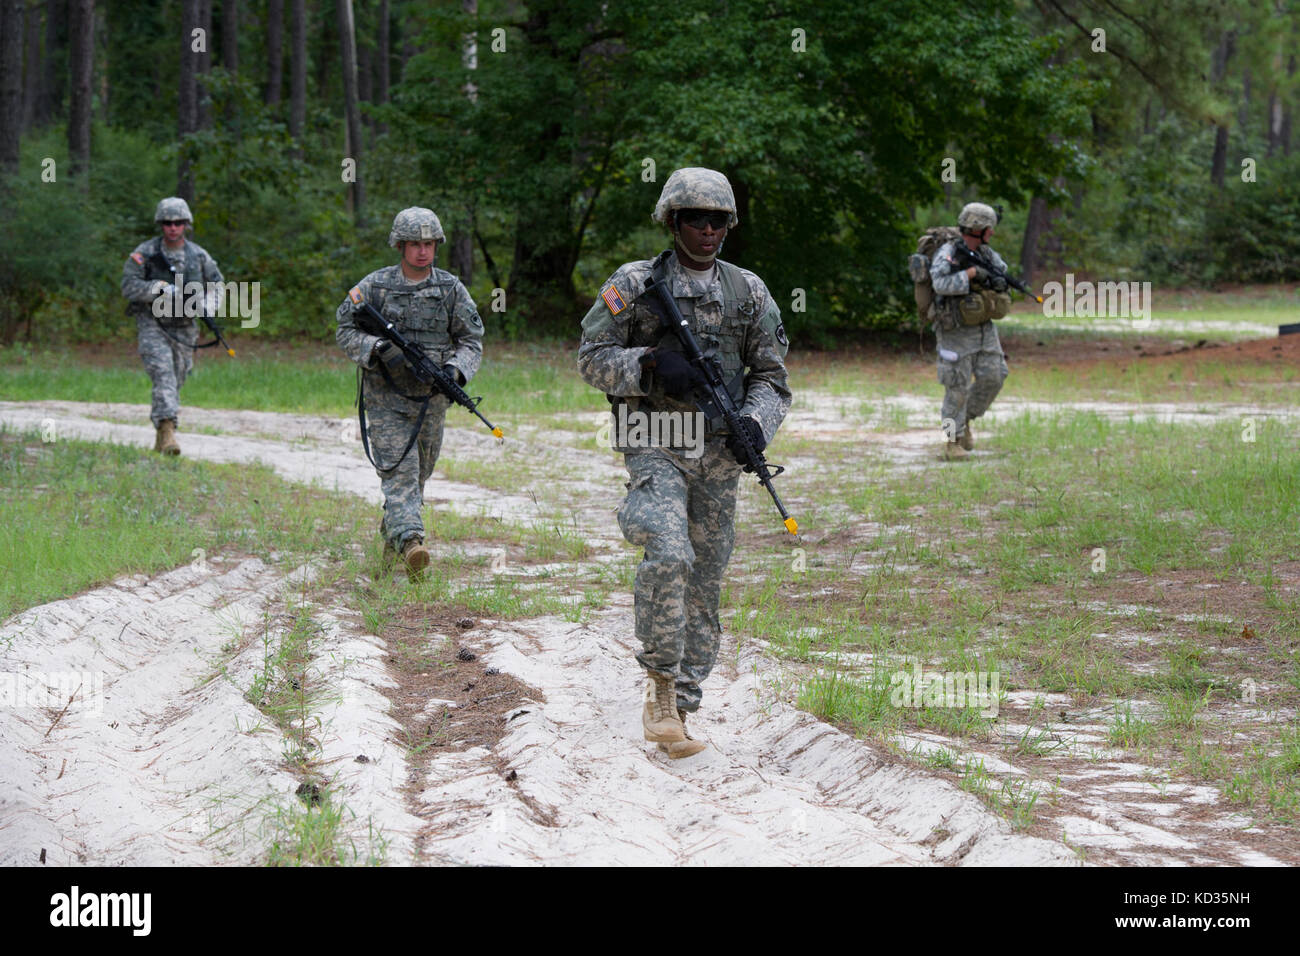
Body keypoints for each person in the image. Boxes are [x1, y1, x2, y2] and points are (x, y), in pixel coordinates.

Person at [578, 167, 791, 758]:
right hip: (653, 432)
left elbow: (772, 379)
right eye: (695, 219)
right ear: (672, 221)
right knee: (669, 551)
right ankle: (662, 691)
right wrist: (647, 363)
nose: (707, 230)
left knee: (705, 580)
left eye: (718, 220)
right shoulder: (635, 284)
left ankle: (685, 703)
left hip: (719, 450)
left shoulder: (748, 291)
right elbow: (590, 357)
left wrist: (755, 424)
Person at [335, 207, 485, 576]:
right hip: (385, 400)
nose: (422, 251)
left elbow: (471, 340)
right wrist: (376, 348)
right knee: (400, 472)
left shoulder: (450, 289)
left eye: (429, 244)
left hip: (430, 402)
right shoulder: (374, 287)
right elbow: (344, 329)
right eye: (415, 244)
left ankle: (393, 539)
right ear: (400, 246)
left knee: (418, 476)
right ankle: (413, 543)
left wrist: (454, 371)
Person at [120, 197, 224, 456]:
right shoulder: (145, 254)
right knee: (163, 374)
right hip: (153, 324)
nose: (173, 228)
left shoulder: (198, 256)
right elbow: (128, 286)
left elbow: (217, 284)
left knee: (177, 377)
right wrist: (159, 288)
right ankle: (168, 431)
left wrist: (207, 305)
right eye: (167, 223)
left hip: (185, 327)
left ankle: (160, 434)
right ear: (160, 225)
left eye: (178, 223)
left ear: (186, 225)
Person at [928, 202, 1011, 460]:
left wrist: (996, 279)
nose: (992, 233)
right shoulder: (949, 252)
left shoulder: (986, 253)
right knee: (957, 386)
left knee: (995, 375)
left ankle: (966, 421)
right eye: (989, 228)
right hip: (955, 329)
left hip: (984, 327)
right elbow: (940, 282)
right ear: (978, 229)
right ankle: (953, 442)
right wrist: (971, 274)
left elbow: (1002, 270)